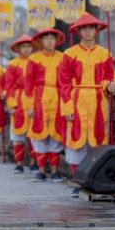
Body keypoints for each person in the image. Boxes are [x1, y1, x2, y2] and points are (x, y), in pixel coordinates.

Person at [58, 13, 115, 194]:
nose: (88, 31)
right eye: (84, 28)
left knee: (98, 139)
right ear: (79, 31)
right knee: (77, 141)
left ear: (97, 30)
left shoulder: (105, 54)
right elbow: (64, 82)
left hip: (99, 100)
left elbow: (109, 77)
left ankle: (94, 180)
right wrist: (67, 107)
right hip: (77, 99)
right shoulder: (69, 54)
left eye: (91, 28)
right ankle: (77, 181)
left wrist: (109, 85)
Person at [24, 27, 66, 182]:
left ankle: (55, 171)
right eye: (46, 38)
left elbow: (67, 81)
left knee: (56, 136)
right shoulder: (34, 59)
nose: (49, 41)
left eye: (52, 38)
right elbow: (28, 83)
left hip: (58, 96)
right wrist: (29, 106)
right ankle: (41, 170)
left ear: (56, 41)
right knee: (39, 135)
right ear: (41, 41)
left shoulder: (63, 57)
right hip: (39, 97)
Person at [3, 34, 35, 174]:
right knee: (17, 136)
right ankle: (19, 163)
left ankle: (34, 163)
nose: (27, 49)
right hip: (18, 99)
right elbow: (9, 86)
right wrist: (11, 105)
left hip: (33, 98)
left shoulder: (36, 62)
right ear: (18, 48)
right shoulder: (12, 64)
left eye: (29, 46)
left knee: (34, 134)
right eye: (24, 46)